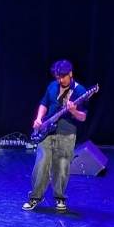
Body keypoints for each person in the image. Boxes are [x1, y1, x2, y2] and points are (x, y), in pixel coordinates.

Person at [23, 59, 88, 212]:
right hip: (46, 131)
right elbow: (44, 103)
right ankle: (35, 197)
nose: (60, 80)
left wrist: (73, 111)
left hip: (66, 134)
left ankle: (60, 198)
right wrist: (39, 119)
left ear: (70, 73)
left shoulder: (80, 91)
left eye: (63, 76)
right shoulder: (52, 86)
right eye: (58, 77)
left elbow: (83, 117)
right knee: (41, 164)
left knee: (62, 167)